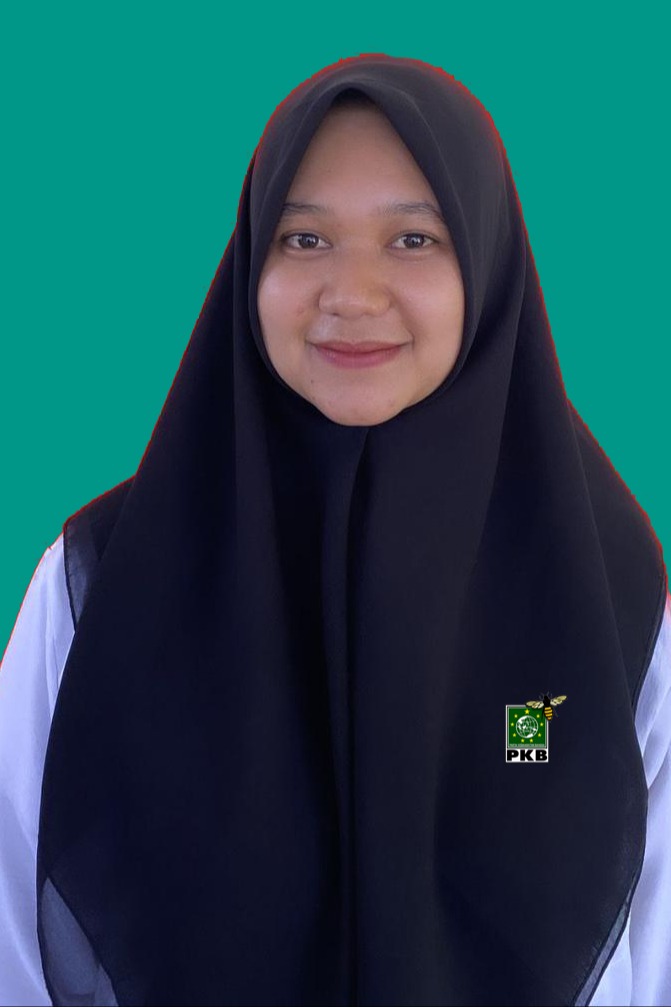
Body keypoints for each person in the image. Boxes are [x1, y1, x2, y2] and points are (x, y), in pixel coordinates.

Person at [1, 53, 669, 1007]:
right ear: (250, 265)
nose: (351, 293)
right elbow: (11, 907)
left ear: (487, 266)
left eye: (414, 239)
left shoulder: (604, 590)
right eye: (304, 238)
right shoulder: (101, 579)